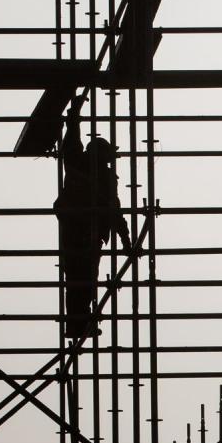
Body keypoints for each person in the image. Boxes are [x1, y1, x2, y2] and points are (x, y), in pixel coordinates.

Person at [55, 95, 132, 338]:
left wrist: (74, 113)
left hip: (80, 231)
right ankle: (78, 322)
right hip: (83, 231)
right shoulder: (93, 171)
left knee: (79, 278)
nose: (112, 160)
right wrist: (125, 238)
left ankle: (78, 322)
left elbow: (71, 141)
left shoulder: (82, 165)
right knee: (83, 277)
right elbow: (114, 209)